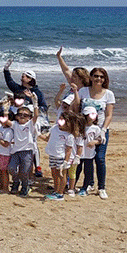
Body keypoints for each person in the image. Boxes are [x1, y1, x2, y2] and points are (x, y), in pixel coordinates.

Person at [72, 67, 114, 199]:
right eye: (96, 76)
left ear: (105, 79)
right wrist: (75, 93)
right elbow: (76, 107)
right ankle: (88, 183)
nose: (98, 79)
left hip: (100, 130)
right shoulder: (84, 91)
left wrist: (103, 130)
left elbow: (108, 115)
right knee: (84, 158)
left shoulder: (108, 94)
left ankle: (101, 187)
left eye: (101, 76)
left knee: (99, 158)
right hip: (84, 130)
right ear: (91, 77)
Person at [7, 92, 39, 197]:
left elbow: (36, 115)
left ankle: (25, 187)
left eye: (25, 115)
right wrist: (5, 107)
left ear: (29, 117)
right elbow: (5, 120)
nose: (22, 116)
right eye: (20, 114)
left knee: (25, 171)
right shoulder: (14, 124)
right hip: (15, 151)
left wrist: (35, 102)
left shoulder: (30, 124)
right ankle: (16, 182)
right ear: (16, 116)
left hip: (27, 151)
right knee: (11, 168)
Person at [40, 111, 77, 201]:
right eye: (60, 118)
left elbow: (68, 150)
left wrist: (66, 161)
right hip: (52, 155)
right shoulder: (54, 128)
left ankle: (60, 193)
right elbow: (48, 138)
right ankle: (56, 190)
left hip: (61, 157)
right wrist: (38, 134)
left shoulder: (69, 135)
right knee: (54, 174)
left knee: (62, 175)